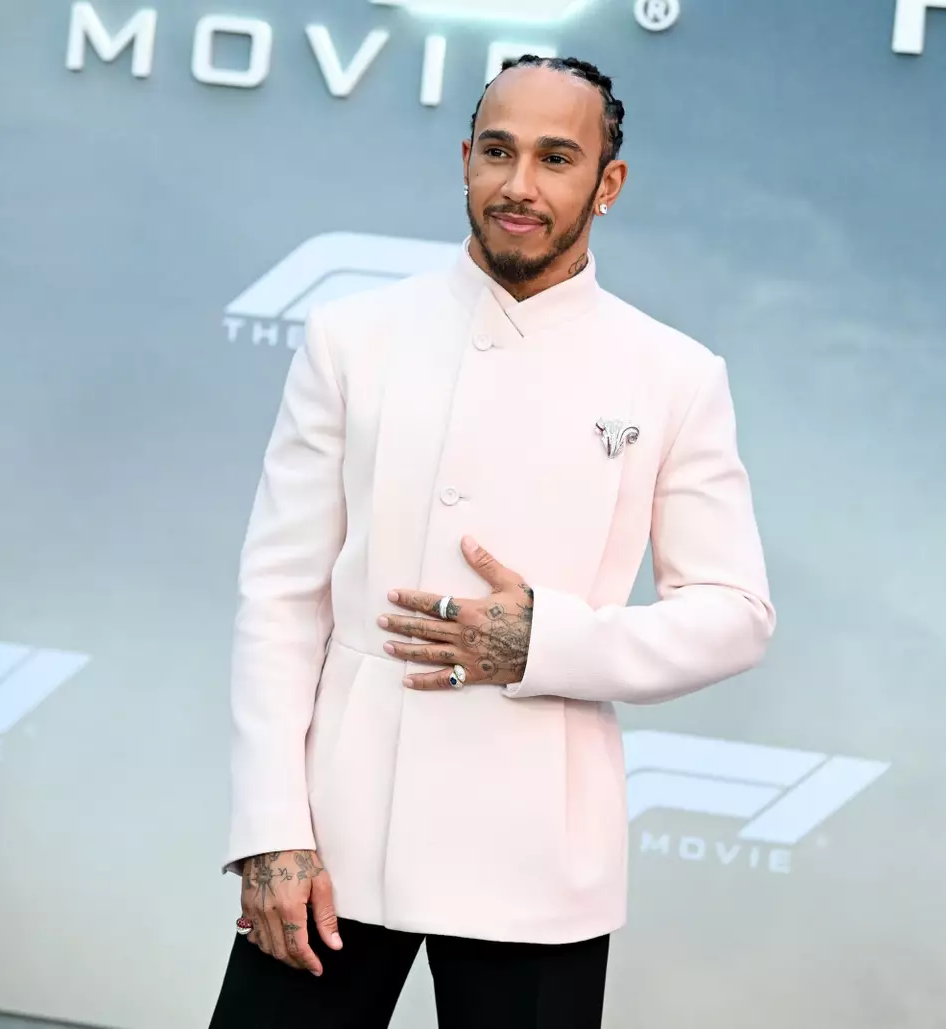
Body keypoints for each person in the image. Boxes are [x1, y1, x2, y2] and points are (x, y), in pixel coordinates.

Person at [208, 55, 775, 1029]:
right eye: (499, 152)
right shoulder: (354, 337)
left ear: (609, 184)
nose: (520, 186)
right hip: (335, 841)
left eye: (557, 158)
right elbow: (281, 600)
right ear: (464, 159)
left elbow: (735, 617)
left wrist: (542, 643)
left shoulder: (674, 374)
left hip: (537, 857)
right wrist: (271, 830)